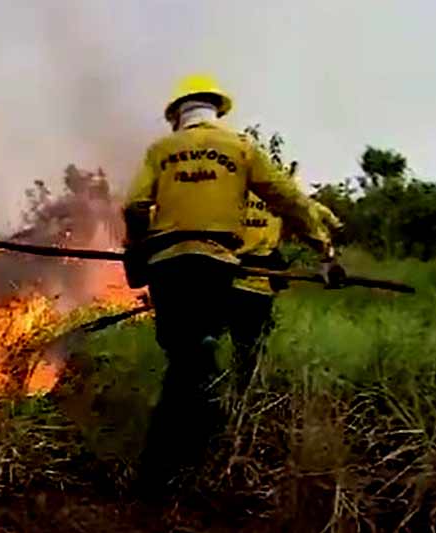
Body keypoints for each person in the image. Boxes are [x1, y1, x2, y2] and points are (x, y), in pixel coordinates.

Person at [121, 73, 340, 494]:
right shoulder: (240, 148)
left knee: (185, 356)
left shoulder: (160, 150)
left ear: (176, 117)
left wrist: (137, 244)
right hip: (214, 264)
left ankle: (181, 458)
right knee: (194, 358)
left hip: (167, 266)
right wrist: (323, 249)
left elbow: (134, 204)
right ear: (216, 111)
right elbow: (288, 199)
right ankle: (172, 464)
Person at [229, 194, 342, 392]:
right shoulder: (276, 191)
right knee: (247, 347)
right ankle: (239, 397)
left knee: (230, 344)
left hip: (229, 274)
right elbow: (306, 223)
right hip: (247, 279)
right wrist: (327, 257)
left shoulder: (226, 181)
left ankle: (235, 398)